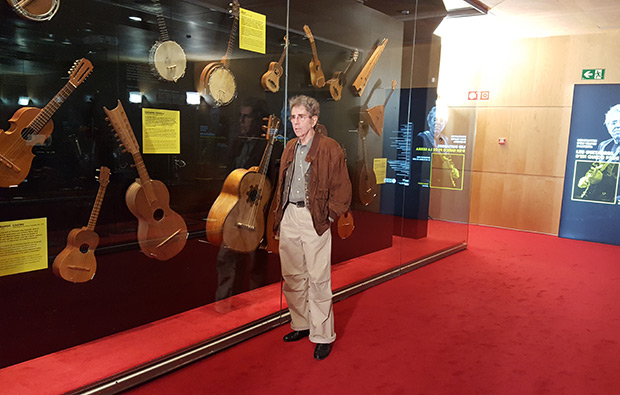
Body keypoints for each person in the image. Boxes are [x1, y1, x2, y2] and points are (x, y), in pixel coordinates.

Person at [270, 95, 351, 360]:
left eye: (301, 116)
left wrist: (328, 217)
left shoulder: (330, 147)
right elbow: (281, 186)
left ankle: (323, 335)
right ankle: (301, 324)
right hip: (290, 215)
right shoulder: (290, 147)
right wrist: (279, 218)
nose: (296, 122)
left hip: (313, 217)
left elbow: (342, 188)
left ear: (314, 120)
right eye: (293, 117)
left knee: (318, 278)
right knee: (292, 276)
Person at [215, 98, 271, 302]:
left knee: (256, 262)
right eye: (240, 117)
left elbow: (269, 184)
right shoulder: (237, 143)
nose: (241, 121)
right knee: (226, 258)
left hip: (255, 214)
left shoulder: (267, 148)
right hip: (233, 210)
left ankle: (257, 307)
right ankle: (224, 305)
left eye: (246, 117)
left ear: (257, 121)